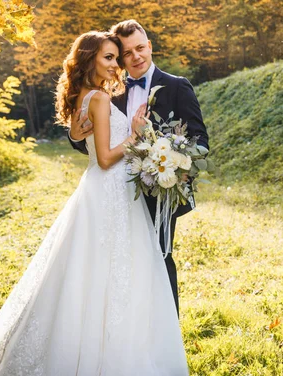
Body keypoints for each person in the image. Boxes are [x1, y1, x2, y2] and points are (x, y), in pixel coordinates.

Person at [0, 31, 192, 376]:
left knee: (97, 273)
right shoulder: (99, 97)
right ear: (89, 60)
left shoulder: (89, 96)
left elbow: (84, 137)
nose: (116, 64)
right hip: (110, 190)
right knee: (110, 271)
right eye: (109, 58)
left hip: (106, 192)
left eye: (118, 57)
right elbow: (103, 157)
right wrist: (134, 134)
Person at [69, 20, 209, 315]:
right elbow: (92, 144)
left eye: (140, 48)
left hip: (160, 192)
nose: (136, 57)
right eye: (127, 52)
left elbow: (200, 141)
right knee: (116, 263)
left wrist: (172, 165)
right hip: (115, 191)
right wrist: (75, 135)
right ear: (120, 58)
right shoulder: (109, 90)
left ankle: (167, 331)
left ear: (150, 46)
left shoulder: (177, 86)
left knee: (159, 259)